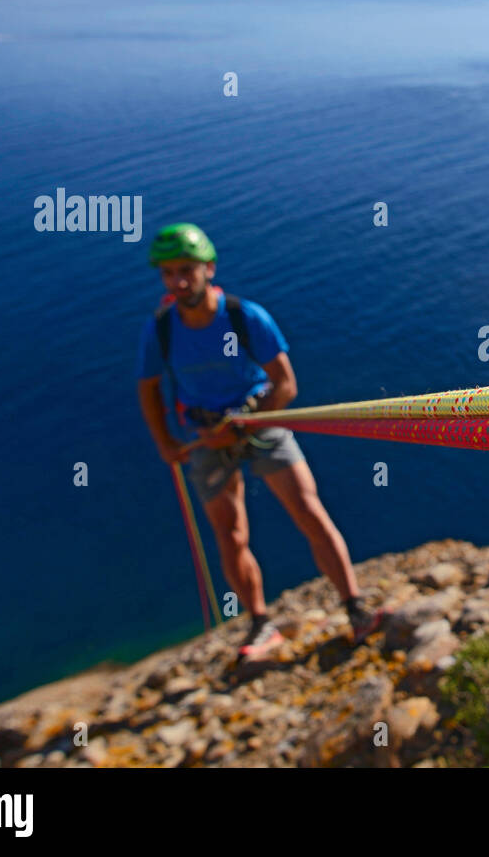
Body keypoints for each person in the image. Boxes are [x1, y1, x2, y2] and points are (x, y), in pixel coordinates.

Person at [136, 223, 384, 661]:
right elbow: (148, 388)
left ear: (209, 268)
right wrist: (165, 442)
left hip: (259, 422)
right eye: (169, 272)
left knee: (308, 510)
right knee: (230, 536)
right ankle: (259, 621)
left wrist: (247, 422)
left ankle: (353, 604)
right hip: (208, 437)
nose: (178, 281)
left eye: (187, 270)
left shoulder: (244, 317)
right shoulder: (160, 330)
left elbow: (285, 383)